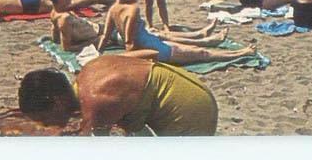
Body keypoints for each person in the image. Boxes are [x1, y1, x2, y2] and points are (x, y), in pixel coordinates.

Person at [18, 56, 219, 135]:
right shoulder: (86, 75)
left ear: (57, 102)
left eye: (45, 120)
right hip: (189, 89)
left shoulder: (96, 102)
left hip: (190, 111)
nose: (47, 126)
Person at [99, 0, 256, 65]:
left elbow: (106, 36)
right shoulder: (133, 9)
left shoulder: (113, 9)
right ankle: (242, 53)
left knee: (193, 48)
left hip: (151, 43)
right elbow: (129, 42)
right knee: (201, 53)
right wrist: (142, 59)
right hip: (153, 49)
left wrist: (98, 54)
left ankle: (211, 40)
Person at [46, 0, 114, 52]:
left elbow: (55, 37)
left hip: (100, 30)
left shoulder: (55, 11)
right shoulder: (64, 18)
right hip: (104, 34)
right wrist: (95, 42)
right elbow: (67, 48)